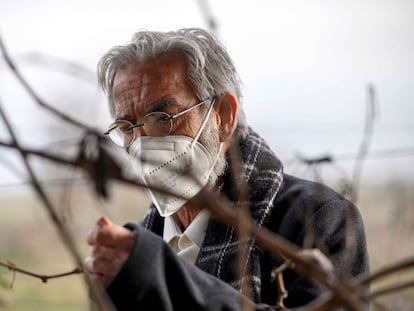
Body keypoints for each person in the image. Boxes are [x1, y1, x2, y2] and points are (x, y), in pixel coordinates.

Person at [83, 28, 369, 310]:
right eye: (127, 127)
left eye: (163, 118)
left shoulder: (313, 221)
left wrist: (161, 273)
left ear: (222, 116)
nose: (142, 144)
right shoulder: (141, 245)